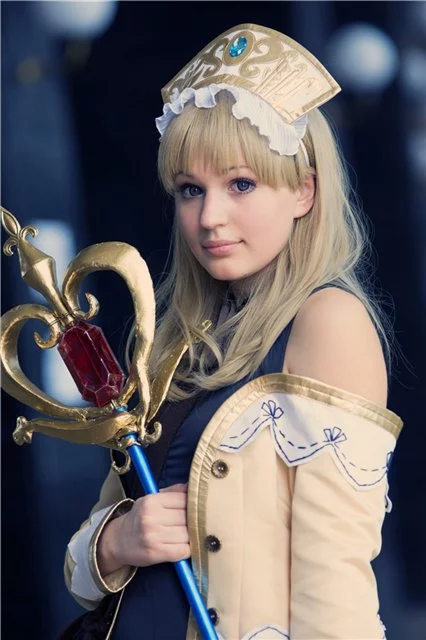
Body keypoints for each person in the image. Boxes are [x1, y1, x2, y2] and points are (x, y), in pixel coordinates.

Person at [63, 23, 403, 640]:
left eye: (241, 183)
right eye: (190, 190)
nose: (209, 217)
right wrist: (117, 540)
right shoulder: (181, 339)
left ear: (304, 191)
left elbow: (336, 587)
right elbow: (82, 569)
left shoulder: (327, 322)